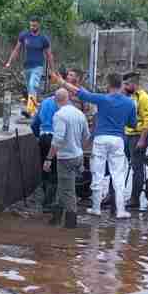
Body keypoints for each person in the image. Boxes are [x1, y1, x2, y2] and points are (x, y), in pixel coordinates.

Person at [57, 71, 136, 219]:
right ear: (121, 85)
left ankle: (96, 208)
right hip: (118, 139)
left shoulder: (102, 99)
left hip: (100, 139)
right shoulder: (129, 102)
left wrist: (61, 82)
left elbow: (80, 93)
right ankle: (120, 211)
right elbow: (132, 123)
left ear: (108, 85)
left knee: (97, 174)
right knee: (118, 175)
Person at [43, 88, 89, 228]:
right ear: (68, 98)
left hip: (65, 158)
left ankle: (71, 223)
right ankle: (56, 218)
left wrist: (49, 158)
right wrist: (79, 148)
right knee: (64, 187)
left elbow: (57, 140)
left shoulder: (60, 115)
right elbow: (86, 135)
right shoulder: (80, 114)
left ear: (56, 100)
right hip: (78, 155)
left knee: (68, 191)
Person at [122, 72, 148, 210]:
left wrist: (142, 139)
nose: (124, 86)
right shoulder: (129, 96)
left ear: (134, 84)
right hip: (127, 135)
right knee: (130, 164)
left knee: (137, 168)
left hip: (138, 136)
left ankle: (135, 199)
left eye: (127, 84)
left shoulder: (144, 98)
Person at [5, 19, 54, 97]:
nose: (32, 27)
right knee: (29, 89)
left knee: (32, 85)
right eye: (31, 25)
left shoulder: (43, 39)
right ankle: (32, 105)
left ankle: (31, 108)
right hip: (27, 66)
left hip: (38, 66)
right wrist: (9, 62)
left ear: (38, 25)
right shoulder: (24, 35)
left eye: (34, 26)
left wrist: (52, 70)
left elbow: (49, 55)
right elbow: (16, 49)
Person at [31, 88, 61, 211]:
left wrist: (38, 136)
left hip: (43, 137)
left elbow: (34, 124)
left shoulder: (44, 103)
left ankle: (44, 196)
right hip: (55, 139)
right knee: (54, 169)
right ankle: (49, 202)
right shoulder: (62, 105)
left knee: (44, 167)